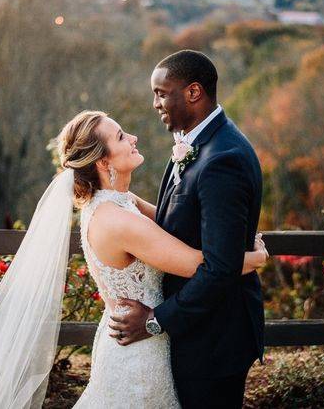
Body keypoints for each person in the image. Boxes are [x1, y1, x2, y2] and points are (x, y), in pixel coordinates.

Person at [0, 106, 268, 408]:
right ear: (103, 161)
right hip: (139, 350)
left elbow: (171, 229)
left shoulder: (120, 202)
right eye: (121, 137)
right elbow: (198, 263)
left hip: (138, 338)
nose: (133, 138)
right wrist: (254, 258)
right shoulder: (117, 220)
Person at [109, 49, 266, 408]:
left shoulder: (221, 160)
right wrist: (116, 199)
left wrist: (153, 320)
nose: (155, 103)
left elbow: (221, 268)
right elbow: (174, 219)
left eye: (162, 93)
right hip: (199, 335)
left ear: (193, 92)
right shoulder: (196, 142)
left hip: (214, 340)